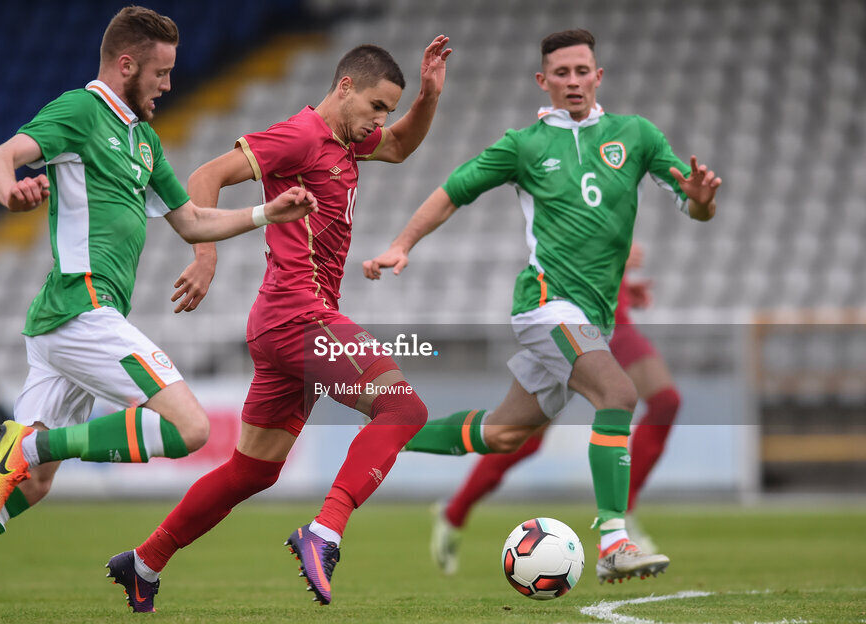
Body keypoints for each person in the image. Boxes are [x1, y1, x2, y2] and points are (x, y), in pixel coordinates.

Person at [0, 7, 316, 624]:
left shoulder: (145, 140)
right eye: (160, 71)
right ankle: (29, 444)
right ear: (126, 64)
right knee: (190, 428)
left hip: (66, 325)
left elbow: (191, 222)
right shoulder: (80, 110)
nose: (168, 84)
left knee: (31, 484)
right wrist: (11, 190)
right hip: (83, 307)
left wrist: (266, 214)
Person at [101, 37, 453, 611]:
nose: (380, 122)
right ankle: (325, 531)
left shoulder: (346, 141)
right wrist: (204, 255)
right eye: (376, 107)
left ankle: (143, 563)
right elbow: (206, 176)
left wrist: (430, 94)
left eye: (387, 110)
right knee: (404, 408)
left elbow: (401, 147)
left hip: (284, 322)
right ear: (345, 88)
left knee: (252, 471)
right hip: (298, 315)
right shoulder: (301, 135)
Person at [363, 28, 720, 584]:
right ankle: (614, 541)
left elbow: (692, 202)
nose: (573, 81)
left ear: (598, 76)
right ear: (543, 80)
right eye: (562, 73)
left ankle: (391, 432)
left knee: (507, 434)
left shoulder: (639, 136)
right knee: (619, 393)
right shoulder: (525, 145)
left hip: (592, 318)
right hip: (547, 306)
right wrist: (402, 244)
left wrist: (700, 201)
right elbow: (455, 189)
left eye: (583, 71)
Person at [428, 244, 683, 576]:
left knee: (666, 401)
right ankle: (454, 511)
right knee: (520, 437)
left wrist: (619, 281)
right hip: (570, 322)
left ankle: (622, 521)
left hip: (612, 320)